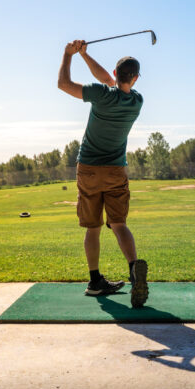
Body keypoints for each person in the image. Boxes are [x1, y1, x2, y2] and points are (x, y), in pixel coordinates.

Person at [57, 39, 148, 308]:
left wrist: (68, 55)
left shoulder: (101, 94)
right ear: (136, 78)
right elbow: (110, 79)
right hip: (116, 170)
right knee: (119, 224)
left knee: (93, 227)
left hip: (88, 169)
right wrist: (86, 54)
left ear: (116, 74)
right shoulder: (137, 101)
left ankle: (95, 281)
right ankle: (133, 269)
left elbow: (64, 84)